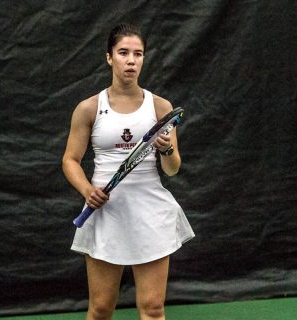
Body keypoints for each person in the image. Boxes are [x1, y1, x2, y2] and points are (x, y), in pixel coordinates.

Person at [62, 23, 194, 320]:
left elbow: (172, 170)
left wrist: (166, 150)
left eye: (138, 54)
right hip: (105, 215)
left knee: (153, 308)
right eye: (123, 53)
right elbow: (70, 159)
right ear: (110, 57)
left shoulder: (160, 107)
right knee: (100, 309)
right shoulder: (89, 108)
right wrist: (87, 191)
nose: (131, 60)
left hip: (151, 214)